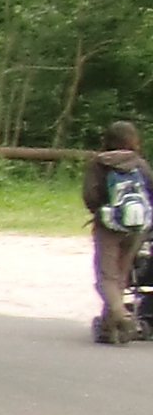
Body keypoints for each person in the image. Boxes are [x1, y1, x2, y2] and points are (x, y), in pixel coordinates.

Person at [86, 117, 150, 344]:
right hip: (137, 227)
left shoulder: (99, 163)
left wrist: (103, 211)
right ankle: (108, 327)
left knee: (106, 277)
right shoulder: (139, 163)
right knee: (122, 275)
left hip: (109, 226)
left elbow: (91, 197)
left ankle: (122, 316)